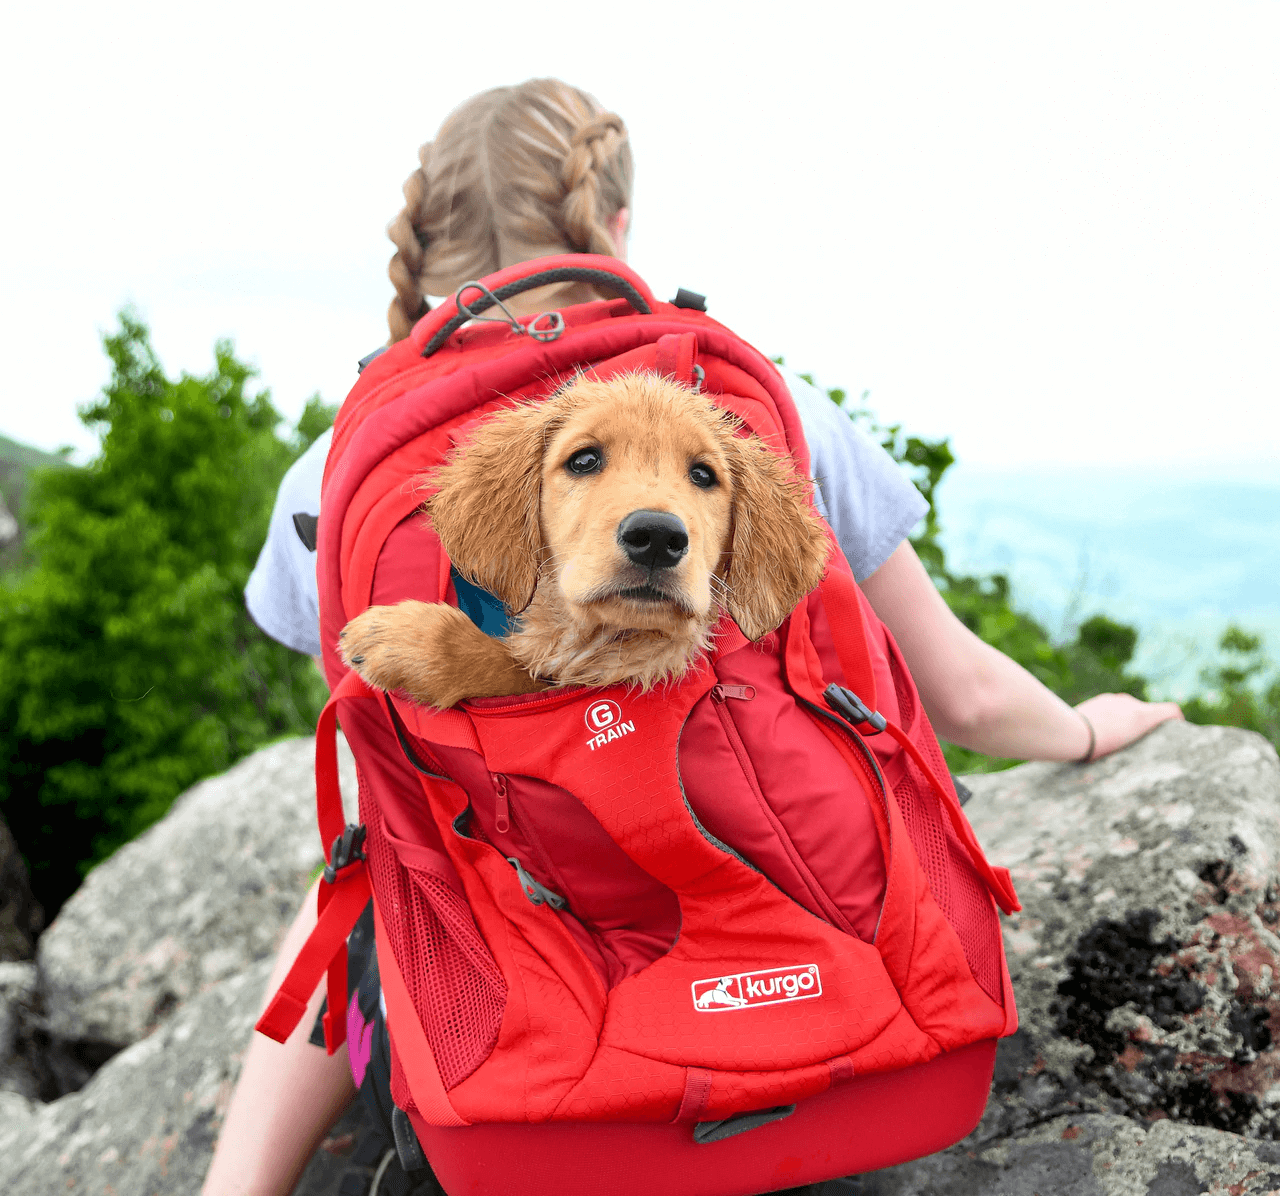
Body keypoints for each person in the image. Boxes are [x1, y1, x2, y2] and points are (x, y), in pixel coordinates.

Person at [206, 78, 1182, 1196]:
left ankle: (234, 1187)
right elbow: (957, 693)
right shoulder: (758, 407)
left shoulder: (332, 467)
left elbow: (383, 792)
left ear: (422, 253)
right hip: (827, 1025)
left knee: (373, 855)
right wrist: (1086, 731)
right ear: (614, 227)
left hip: (527, 1081)